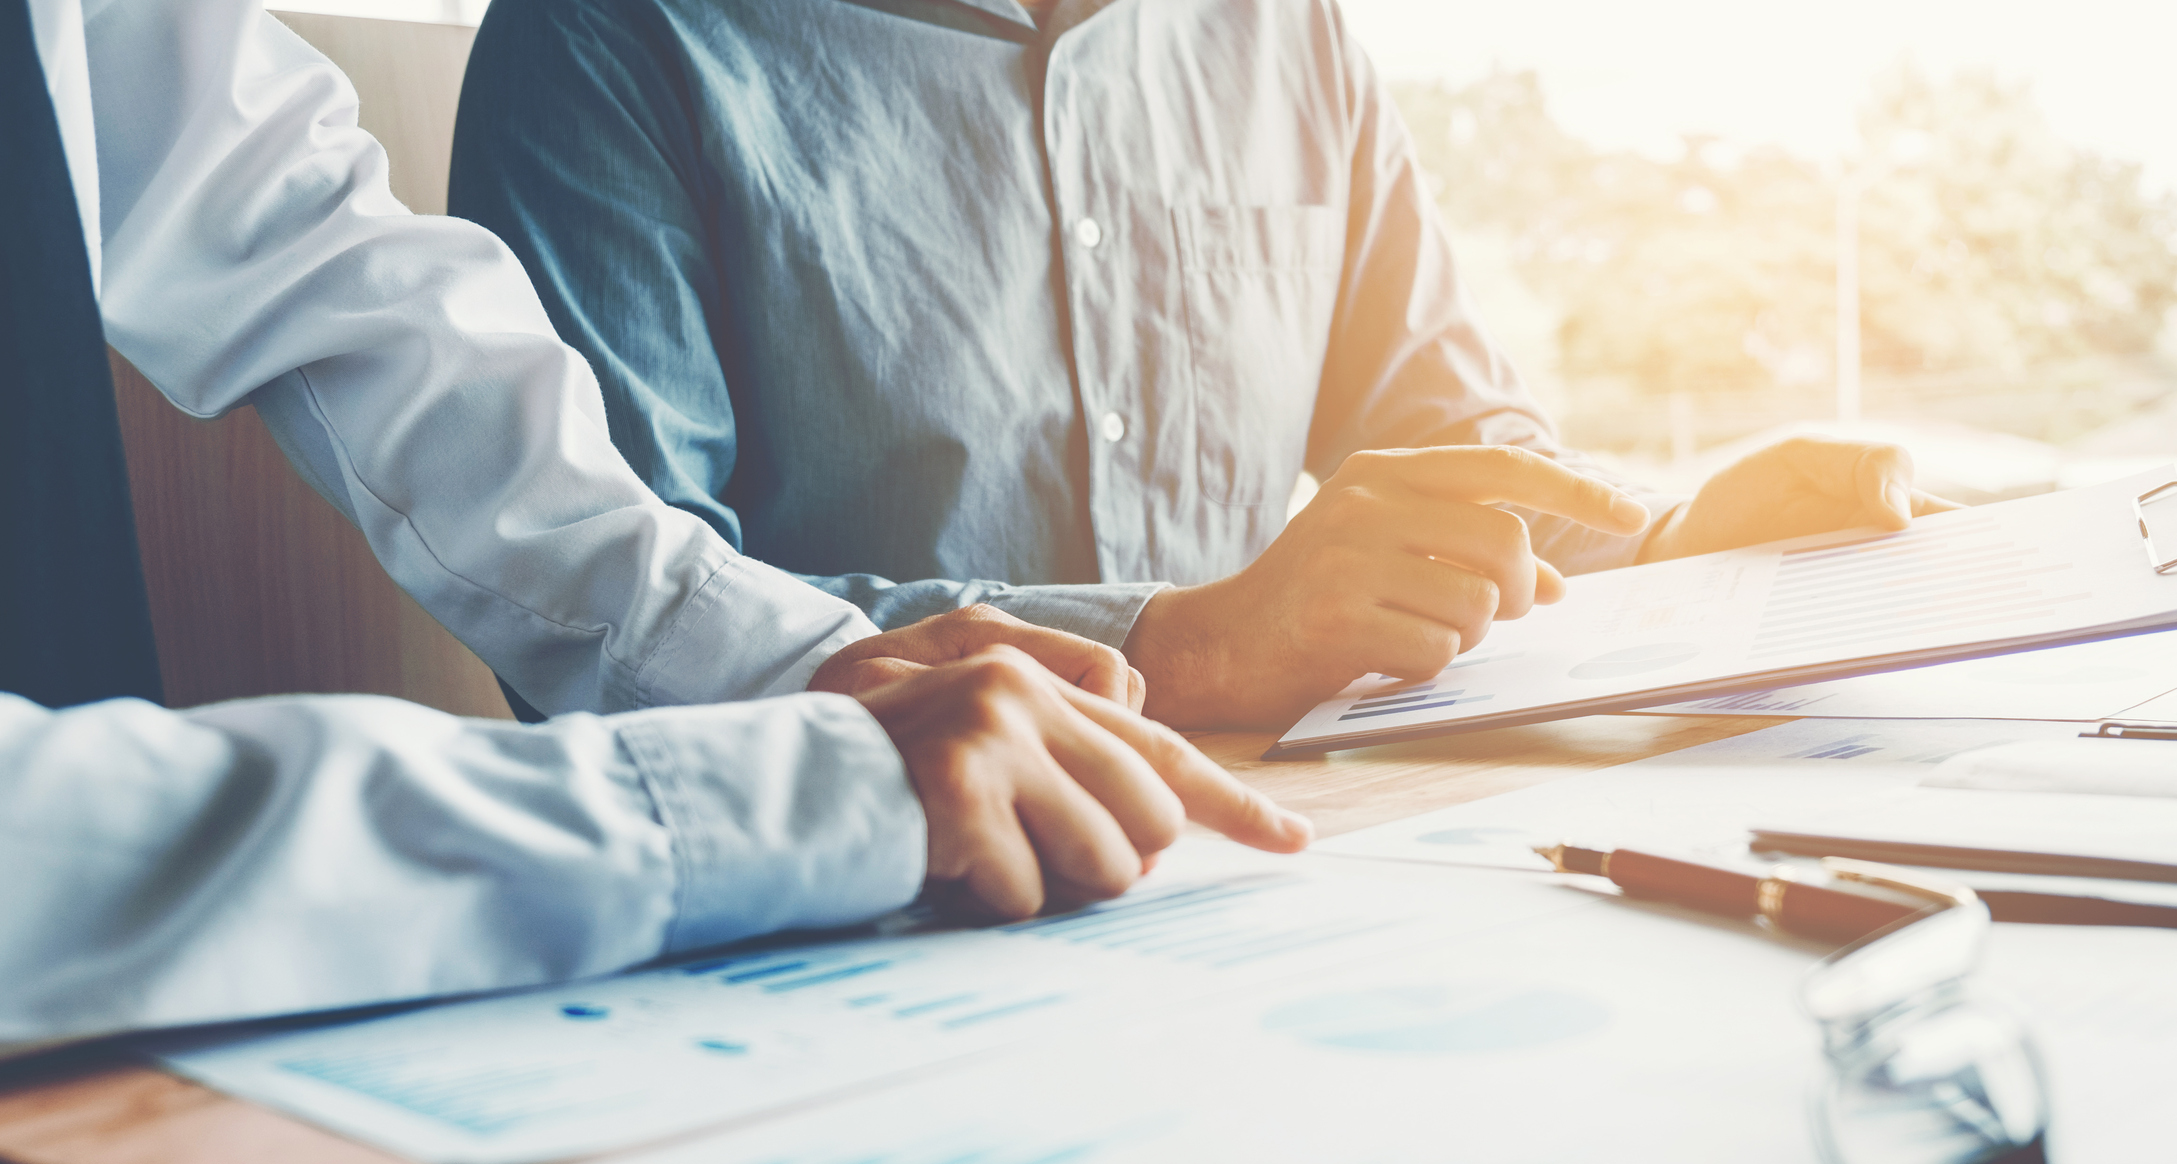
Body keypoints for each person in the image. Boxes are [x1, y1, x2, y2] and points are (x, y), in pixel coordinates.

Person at [0, 0, 1308, 1056]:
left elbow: (317, 256)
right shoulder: (615, 35)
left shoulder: (1281, 40)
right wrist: (782, 787)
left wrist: (797, 667)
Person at [448, 0, 1957, 732]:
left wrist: (1677, 546)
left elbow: (1455, 441)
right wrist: (1180, 645)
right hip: (863, 897)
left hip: (1286, 849)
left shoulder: (1278, 33)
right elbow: (618, 622)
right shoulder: (608, 39)